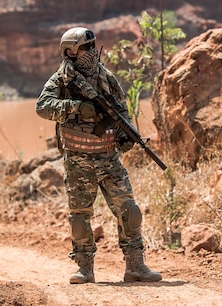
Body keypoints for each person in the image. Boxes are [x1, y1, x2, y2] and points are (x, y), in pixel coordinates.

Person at [35, 26, 162, 284]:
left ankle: (136, 266)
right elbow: (42, 107)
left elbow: (121, 111)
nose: (92, 52)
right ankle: (85, 269)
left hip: (107, 158)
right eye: (86, 48)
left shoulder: (107, 78)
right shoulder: (61, 80)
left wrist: (127, 135)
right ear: (70, 51)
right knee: (80, 217)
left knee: (130, 211)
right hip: (78, 161)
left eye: (94, 47)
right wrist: (77, 108)